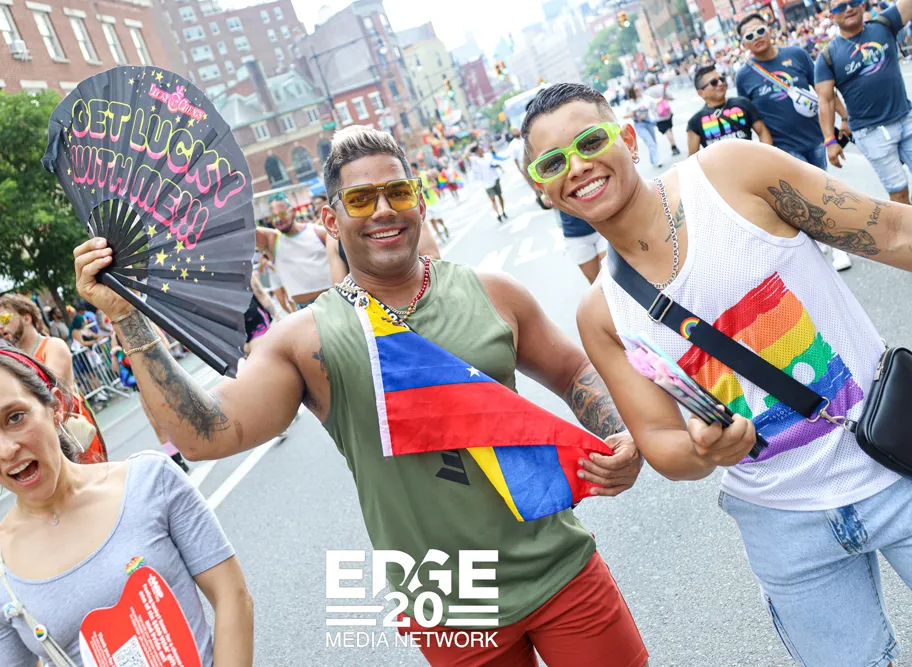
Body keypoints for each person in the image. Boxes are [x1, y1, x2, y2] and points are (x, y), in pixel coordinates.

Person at [75, 124, 648, 667]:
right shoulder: (304, 340)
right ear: (330, 218)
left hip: (562, 570)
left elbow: (574, 370)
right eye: (360, 199)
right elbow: (205, 436)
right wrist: (128, 319)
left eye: (397, 192)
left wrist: (620, 431)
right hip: (450, 608)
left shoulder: (493, 292)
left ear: (418, 199)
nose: (383, 210)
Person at [523, 82, 912, 667]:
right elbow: (661, 441)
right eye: (553, 163)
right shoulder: (601, 313)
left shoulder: (730, 174)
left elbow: (894, 233)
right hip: (785, 529)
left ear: (627, 138)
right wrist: (703, 448)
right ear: (542, 188)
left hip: (894, 463)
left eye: (590, 141)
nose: (576, 166)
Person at [0, 320, 255, 666]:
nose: (5, 449)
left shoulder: (152, 480)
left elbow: (232, 596)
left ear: (55, 406)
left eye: (15, 417)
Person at [735, 12, 855, 271]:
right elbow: (750, 117)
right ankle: (836, 248)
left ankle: (824, 238)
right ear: (743, 44)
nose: (757, 37)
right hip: (783, 147)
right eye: (749, 36)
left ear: (769, 30)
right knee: (810, 194)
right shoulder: (744, 76)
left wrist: (845, 118)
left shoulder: (797, 55)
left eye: (760, 30)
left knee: (823, 192)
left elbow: (824, 91)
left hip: (815, 138)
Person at [815, 0, 912, 204]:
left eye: (853, 2)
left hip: (906, 118)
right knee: (899, 192)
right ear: (832, 16)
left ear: (862, 5)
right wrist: (830, 141)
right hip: (871, 133)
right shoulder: (827, 56)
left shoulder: (883, 24)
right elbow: (826, 100)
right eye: (840, 7)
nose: (849, 8)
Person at [0, 294, 108, 465]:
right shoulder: (15, 360)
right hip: (44, 440)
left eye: (4, 319)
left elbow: (46, 390)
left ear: (27, 318)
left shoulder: (53, 346)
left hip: (73, 431)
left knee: (94, 479)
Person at [255, 194, 333, 309]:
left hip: (333, 300)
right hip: (305, 309)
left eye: (282, 214)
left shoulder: (318, 232)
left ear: (292, 211)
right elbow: (245, 230)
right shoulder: (272, 240)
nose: (278, 219)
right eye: (273, 216)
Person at [686, 65, 773, 155]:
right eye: (714, 82)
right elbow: (692, 157)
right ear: (701, 93)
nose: (720, 83)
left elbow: (762, 132)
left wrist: (767, 157)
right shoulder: (695, 122)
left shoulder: (744, 103)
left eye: (722, 79)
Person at [559, 211, 609, 285]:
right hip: (574, 235)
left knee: (613, 271)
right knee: (595, 280)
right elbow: (545, 204)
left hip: (602, 226)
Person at [466, 144, 508, 221]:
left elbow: (495, 161)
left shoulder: (488, 155)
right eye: (479, 149)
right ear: (476, 152)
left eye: (481, 148)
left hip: (495, 178)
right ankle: (498, 214)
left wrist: (499, 167)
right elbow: (466, 156)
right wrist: (469, 147)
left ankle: (503, 211)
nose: (481, 150)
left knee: (499, 196)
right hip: (486, 183)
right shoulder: (475, 160)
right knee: (492, 199)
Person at [624, 86, 663, 168]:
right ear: (632, 92)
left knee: (653, 142)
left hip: (648, 122)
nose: (638, 91)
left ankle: (653, 160)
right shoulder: (629, 103)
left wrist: (662, 97)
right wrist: (634, 113)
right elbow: (624, 115)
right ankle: (657, 161)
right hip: (639, 124)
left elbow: (655, 101)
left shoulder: (645, 98)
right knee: (650, 142)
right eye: (636, 90)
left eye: (638, 89)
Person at [643, 74, 681, 157]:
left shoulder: (647, 92)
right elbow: (670, 96)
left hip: (658, 115)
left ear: (648, 82)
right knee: (669, 130)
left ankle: (674, 146)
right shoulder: (661, 87)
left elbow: (647, 105)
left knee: (667, 131)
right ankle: (673, 144)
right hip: (667, 112)